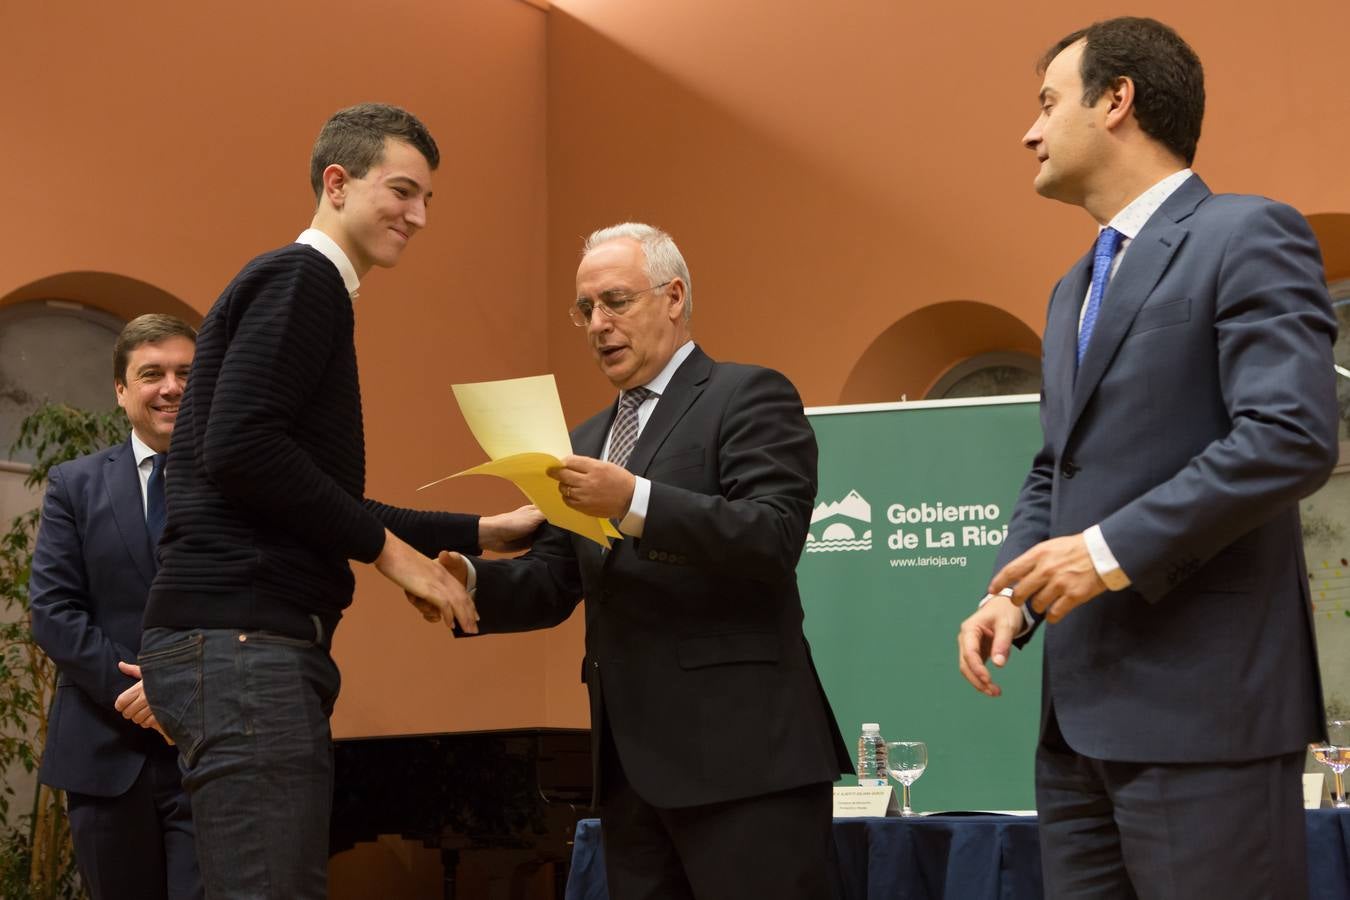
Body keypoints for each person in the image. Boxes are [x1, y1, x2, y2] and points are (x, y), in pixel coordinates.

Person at [956, 17, 1339, 899]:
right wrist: (1011, 593)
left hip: (1207, 719)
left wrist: (1100, 553)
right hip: (1077, 730)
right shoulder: (1071, 290)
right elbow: (1060, 465)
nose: (1031, 131)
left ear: (1117, 100)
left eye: (1049, 103)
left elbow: (1290, 435)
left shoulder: (1248, 235)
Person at [136, 103, 542, 899]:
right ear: (337, 182)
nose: (418, 216)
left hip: (240, 644)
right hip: (246, 645)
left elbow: (308, 496)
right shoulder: (304, 278)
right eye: (401, 190)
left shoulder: (303, 286)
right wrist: (394, 559)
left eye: (428, 199)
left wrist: (480, 531)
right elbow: (243, 450)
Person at [438, 222, 851, 900]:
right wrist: (468, 584)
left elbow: (772, 537)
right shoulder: (585, 439)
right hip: (630, 775)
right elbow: (553, 581)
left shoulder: (747, 395)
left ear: (674, 296)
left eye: (616, 301)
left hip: (745, 767)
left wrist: (634, 498)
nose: (598, 323)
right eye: (586, 309)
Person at [29, 313, 202, 900]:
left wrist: (175, 690)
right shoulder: (73, 484)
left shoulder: (237, 484)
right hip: (104, 752)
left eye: (186, 372)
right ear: (122, 389)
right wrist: (142, 693)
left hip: (207, 753)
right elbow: (53, 610)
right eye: (151, 374)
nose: (171, 387)